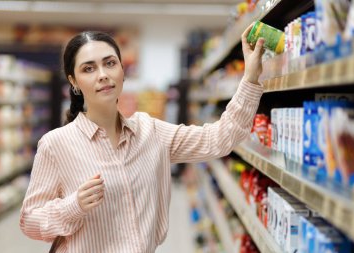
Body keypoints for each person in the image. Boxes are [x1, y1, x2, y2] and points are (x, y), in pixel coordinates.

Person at [20, 23, 265, 253]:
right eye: (88, 68)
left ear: (122, 71)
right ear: (73, 81)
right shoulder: (56, 144)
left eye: (110, 63)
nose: (103, 74)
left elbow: (219, 139)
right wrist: (73, 206)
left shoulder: (150, 132)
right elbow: (30, 221)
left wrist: (251, 78)